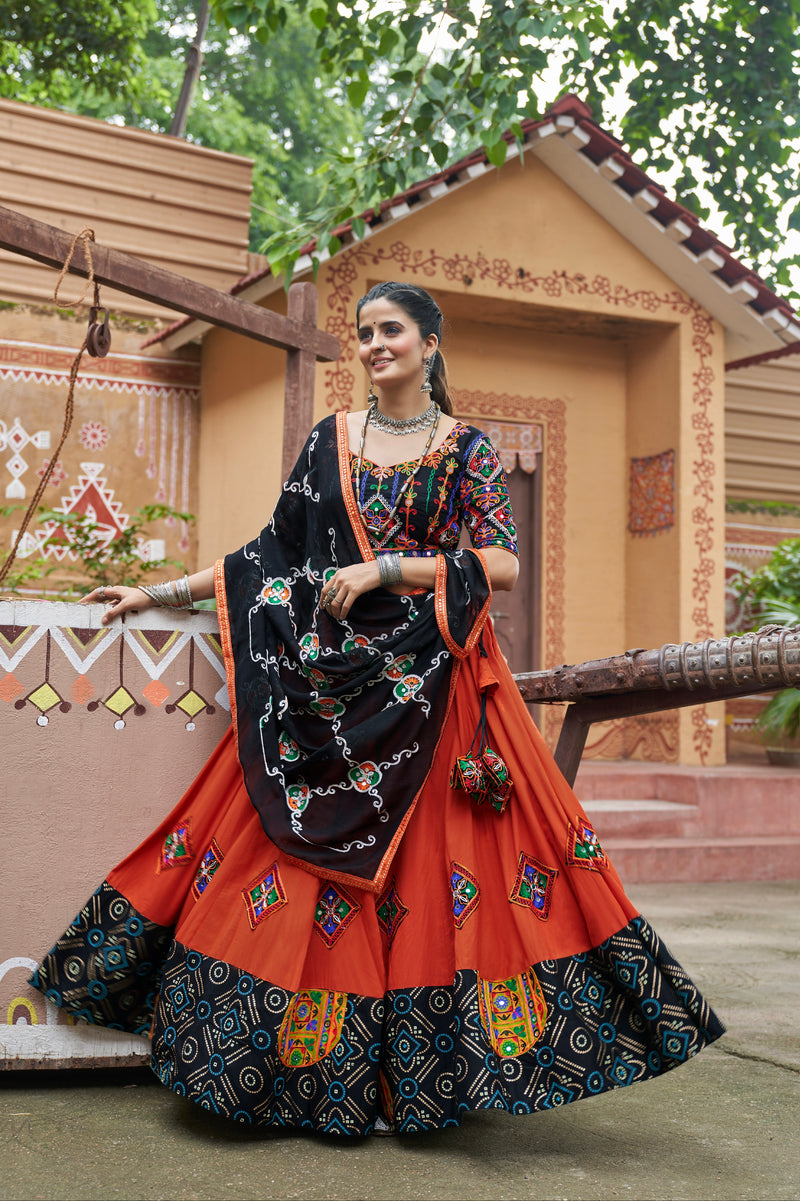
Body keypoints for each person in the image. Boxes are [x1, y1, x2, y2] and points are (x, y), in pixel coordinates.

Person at [31, 281, 724, 1137]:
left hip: (437, 691)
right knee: (282, 864)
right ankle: (287, 1071)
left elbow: (499, 564)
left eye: (391, 330)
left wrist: (388, 570)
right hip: (329, 697)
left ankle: (423, 1081)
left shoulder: (466, 448)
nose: (373, 345)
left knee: (441, 882)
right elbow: (268, 554)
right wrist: (157, 591)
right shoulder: (333, 442)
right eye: (362, 333)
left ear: (431, 342)